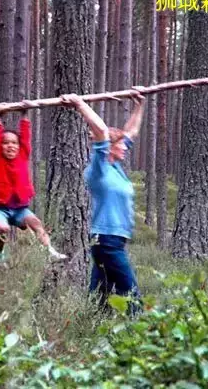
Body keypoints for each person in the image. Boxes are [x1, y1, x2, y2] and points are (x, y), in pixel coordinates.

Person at [62, 91, 145, 316]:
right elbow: (100, 130)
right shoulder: (98, 169)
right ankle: (145, 334)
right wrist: (80, 104)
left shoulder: (116, 167)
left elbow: (131, 132)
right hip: (106, 241)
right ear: (109, 147)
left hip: (112, 240)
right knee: (131, 291)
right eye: (121, 145)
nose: (126, 147)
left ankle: (87, 332)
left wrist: (139, 105)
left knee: (99, 295)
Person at [0, 111, 66, 267]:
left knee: (36, 223)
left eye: (14, 143)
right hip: (0, 209)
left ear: (19, 146)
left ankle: (49, 251)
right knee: (2, 228)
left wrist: (24, 114)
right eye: (6, 143)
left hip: (20, 210)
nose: (10, 146)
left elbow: (26, 137)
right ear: (0, 146)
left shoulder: (22, 156)